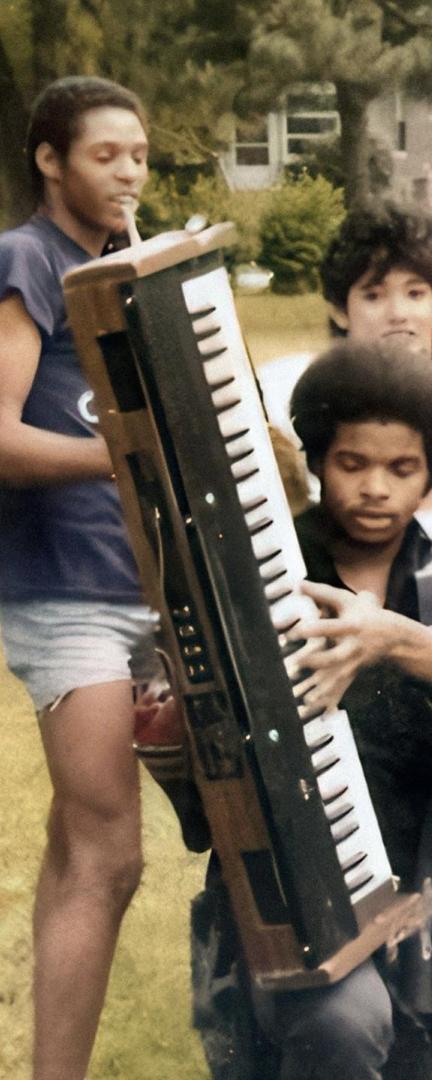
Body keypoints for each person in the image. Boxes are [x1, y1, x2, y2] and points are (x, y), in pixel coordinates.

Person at [190, 339, 432, 1079]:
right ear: (316, 462)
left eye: (401, 468)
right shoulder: (262, 573)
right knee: (340, 1031)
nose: (376, 487)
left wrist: (392, 639)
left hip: (414, 892)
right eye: (353, 464)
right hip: (282, 891)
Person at [0, 76, 155, 1080]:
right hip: (65, 592)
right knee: (111, 854)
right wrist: (129, 456)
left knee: (78, 849)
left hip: (141, 583)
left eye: (140, 155)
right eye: (107, 155)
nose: (131, 173)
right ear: (51, 161)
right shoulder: (27, 259)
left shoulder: (122, 269)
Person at [258, 200, 432, 542]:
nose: (398, 313)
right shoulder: (281, 389)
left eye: (415, 293)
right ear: (339, 311)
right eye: (373, 296)